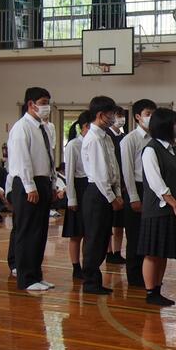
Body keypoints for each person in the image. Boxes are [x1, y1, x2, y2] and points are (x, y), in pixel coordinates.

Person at [7, 87, 57, 291]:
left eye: (48, 103)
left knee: (40, 232)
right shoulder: (21, 128)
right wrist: (30, 186)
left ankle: (36, 274)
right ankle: (26, 278)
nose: (47, 107)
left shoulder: (44, 127)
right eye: (43, 103)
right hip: (27, 183)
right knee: (27, 231)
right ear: (31, 104)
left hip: (43, 181)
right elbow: (22, 160)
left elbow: (49, 157)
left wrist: (52, 183)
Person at [139, 108, 176, 306]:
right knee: (153, 253)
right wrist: (175, 205)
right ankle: (150, 292)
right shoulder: (151, 149)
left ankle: (158, 288)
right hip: (158, 209)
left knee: (163, 252)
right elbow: (156, 182)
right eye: (175, 123)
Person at [81, 96, 124, 295]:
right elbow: (99, 174)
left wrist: (118, 192)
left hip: (108, 191)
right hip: (97, 193)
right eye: (111, 114)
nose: (113, 118)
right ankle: (90, 281)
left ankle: (95, 279)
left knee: (103, 237)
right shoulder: (93, 138)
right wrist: (111, 197)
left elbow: (113, 167)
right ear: (100, 115)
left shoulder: (106, 137)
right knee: (95, 238)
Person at [120, 99, 157, 286]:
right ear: (137, 116)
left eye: (153, 114)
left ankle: (147, 273)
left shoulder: (155, 138)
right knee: (134, 235)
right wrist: (133, 197)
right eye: (147, 114)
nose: (151, 117)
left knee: (149, 234)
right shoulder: (130, 140)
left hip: (152, 189)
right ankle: (135, 276)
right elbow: (127, 171)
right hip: (136, 188)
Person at [62, 111, 91, 280]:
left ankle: (87, 264)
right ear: (85, 126)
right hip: (78, 187)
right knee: (76, 233)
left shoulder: (95, 142)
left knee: (89, 232)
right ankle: (75, 266)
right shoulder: (73, 145)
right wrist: (71, 198)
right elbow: (69, 173)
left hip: (91, 186)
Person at [105, 105, 127, 264]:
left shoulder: (125, 137)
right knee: (108, 222)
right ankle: (108, 251)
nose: (121, 119)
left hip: (123, 183)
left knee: (119, 222)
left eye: (122, 116)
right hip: (110, 183)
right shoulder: (106, 136)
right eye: (118, 115)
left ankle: (117, 251)